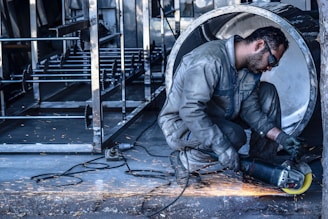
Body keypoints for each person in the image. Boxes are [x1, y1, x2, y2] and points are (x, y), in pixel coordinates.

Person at [158, 26, 302, 186]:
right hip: (181, 125)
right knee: (234, 135)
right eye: (272, 60)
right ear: (259, 45)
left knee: (268, 92)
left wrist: (280, 136)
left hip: (220, 117)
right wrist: (223, 148)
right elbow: (191, 111)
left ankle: (260, 171)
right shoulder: (209, 61)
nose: (269, 67)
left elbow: (251, 111)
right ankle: (186, 162)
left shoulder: (250, 68)